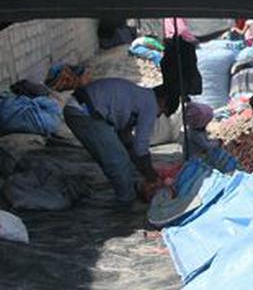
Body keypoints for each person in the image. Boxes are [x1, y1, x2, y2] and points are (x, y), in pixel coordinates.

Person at [63, 78, 178, 208]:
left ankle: (127, 194)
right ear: (163, 101)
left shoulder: (138, 97)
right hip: (84, 112)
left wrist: (142, 167)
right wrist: (151, 175)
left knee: (121, 157)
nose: (158, 116)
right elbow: (141, 147)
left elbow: (126, 139)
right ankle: (125, 205)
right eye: (162, 112)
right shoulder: (150, 103)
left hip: (80, 108)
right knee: (118, 161)